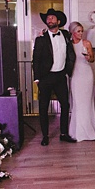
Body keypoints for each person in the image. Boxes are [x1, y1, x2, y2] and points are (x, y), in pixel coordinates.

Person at [32, 9, 76, 146]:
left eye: (52, 18)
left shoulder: (65, 35)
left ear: (58, 21)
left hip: (60, 76)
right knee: (44, 107)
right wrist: (37, 78)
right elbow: (36, 59)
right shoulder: (41, 39)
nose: (49, 20)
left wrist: (69, 70)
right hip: (45, 77)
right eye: (48, 18)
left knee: (65, 104)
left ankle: (63, 133)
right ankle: (45, 135)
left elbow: (70, 52)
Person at [67, 22, 95, 142]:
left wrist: (88, 57)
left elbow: (92, 58)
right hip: (75, 75)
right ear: (72, 32)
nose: (81, 33)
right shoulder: (68, 45)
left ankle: (89, 132)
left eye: (82, 31)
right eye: (78, 31)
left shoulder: (86, 43)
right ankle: (77, 131)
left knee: (86, 102)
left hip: (86, 74)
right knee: (77, 102)